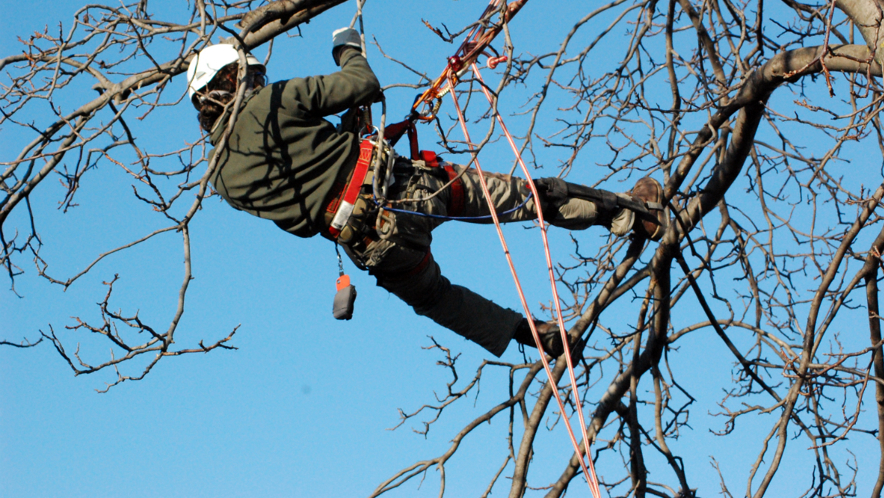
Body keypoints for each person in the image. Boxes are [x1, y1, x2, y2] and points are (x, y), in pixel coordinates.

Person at [185, 29, 667, 359]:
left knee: (435, 297)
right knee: (521, 197)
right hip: (408, 190)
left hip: (369, 246)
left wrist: (342, 142)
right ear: (236, 78)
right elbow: (361, 83)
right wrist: (347, 48)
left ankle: (526, 334)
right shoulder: (272, 102)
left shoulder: (223, 179)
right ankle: (628, 212)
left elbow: (300, 206)